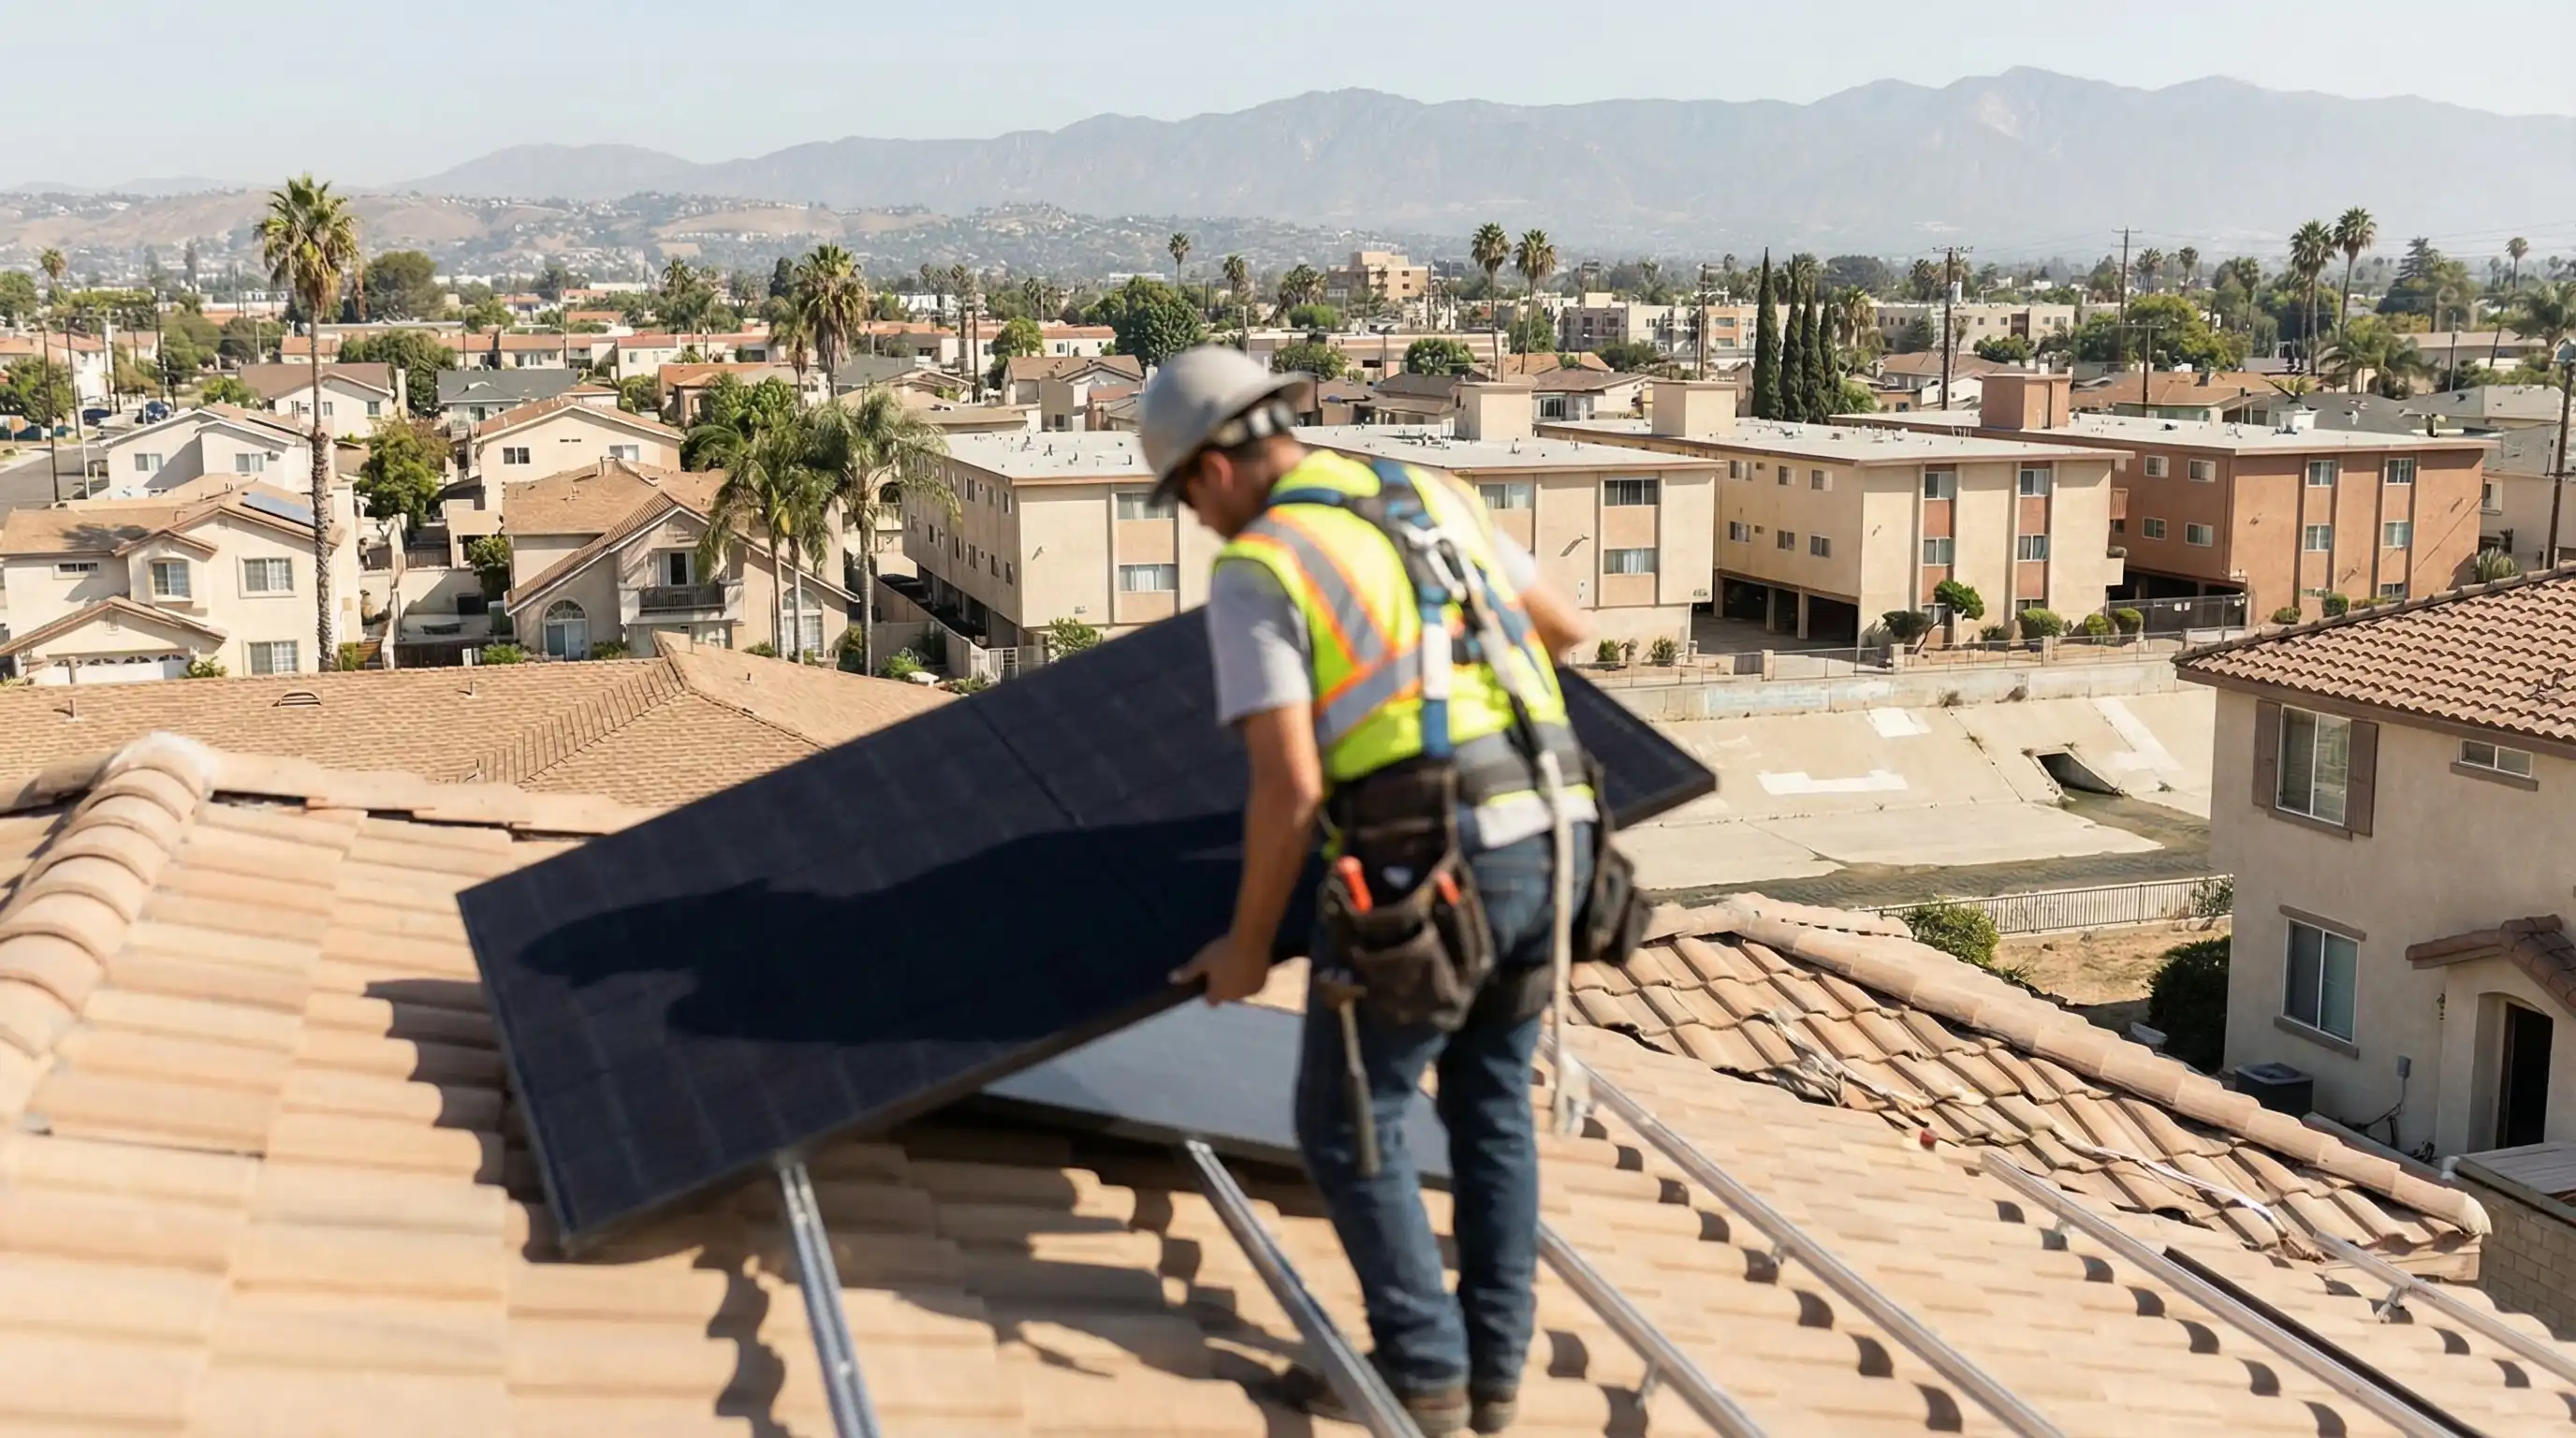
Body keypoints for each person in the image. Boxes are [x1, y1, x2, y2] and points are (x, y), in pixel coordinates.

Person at [1149, 345, 1598, 1435]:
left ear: (1208, 473)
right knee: (1492, 1108)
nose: (1198, 525)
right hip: (1562, 837)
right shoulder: (1424, 491)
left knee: (1351, 1119)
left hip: (1431, 863)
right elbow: (1566, 624)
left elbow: (1290, 788)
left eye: (1185, 503)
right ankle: (1492, 1376)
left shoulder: (1262, 562)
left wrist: (1248, 945)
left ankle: (1422, 1373)